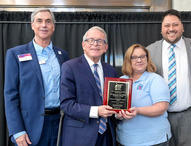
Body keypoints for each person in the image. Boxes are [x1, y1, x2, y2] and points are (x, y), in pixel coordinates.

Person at [4, 8, 69, 146]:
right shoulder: (15, 54)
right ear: (32, 25)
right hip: (29, 127)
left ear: (53, 27)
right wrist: (17, 131)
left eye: (48, 21)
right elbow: (10, 95)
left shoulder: (62, 55)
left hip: (60, 123)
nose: (44, 25)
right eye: (39, 21)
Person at [147, 9, 191, 146]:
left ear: (182, 27)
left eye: (175, 25)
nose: (171, 29)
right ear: (161, 29)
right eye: (167, 25)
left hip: (190, 118)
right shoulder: (149, 51)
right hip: (160, 118)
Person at [60, 26, 118, 146]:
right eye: (91, 40)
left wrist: (120, 111)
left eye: (100, 41)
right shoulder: (70, 67)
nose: (95, 44)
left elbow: (114, 102)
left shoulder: (111, 71)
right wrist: (97, 111)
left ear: (106, 47)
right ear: (83, 45)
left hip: (107, 135)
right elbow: (67, 105)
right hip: (80, 136)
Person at [116, 44, 171, 146]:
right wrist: (118, 115)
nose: (139, 60)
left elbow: (161, 108)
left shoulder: (155, 79)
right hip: (126, 139)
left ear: (147, 59)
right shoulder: (121, 81)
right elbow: (116, 107)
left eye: (142, 56)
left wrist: (137, 110)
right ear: (128, 60)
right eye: (134, 57)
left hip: (154, 140)